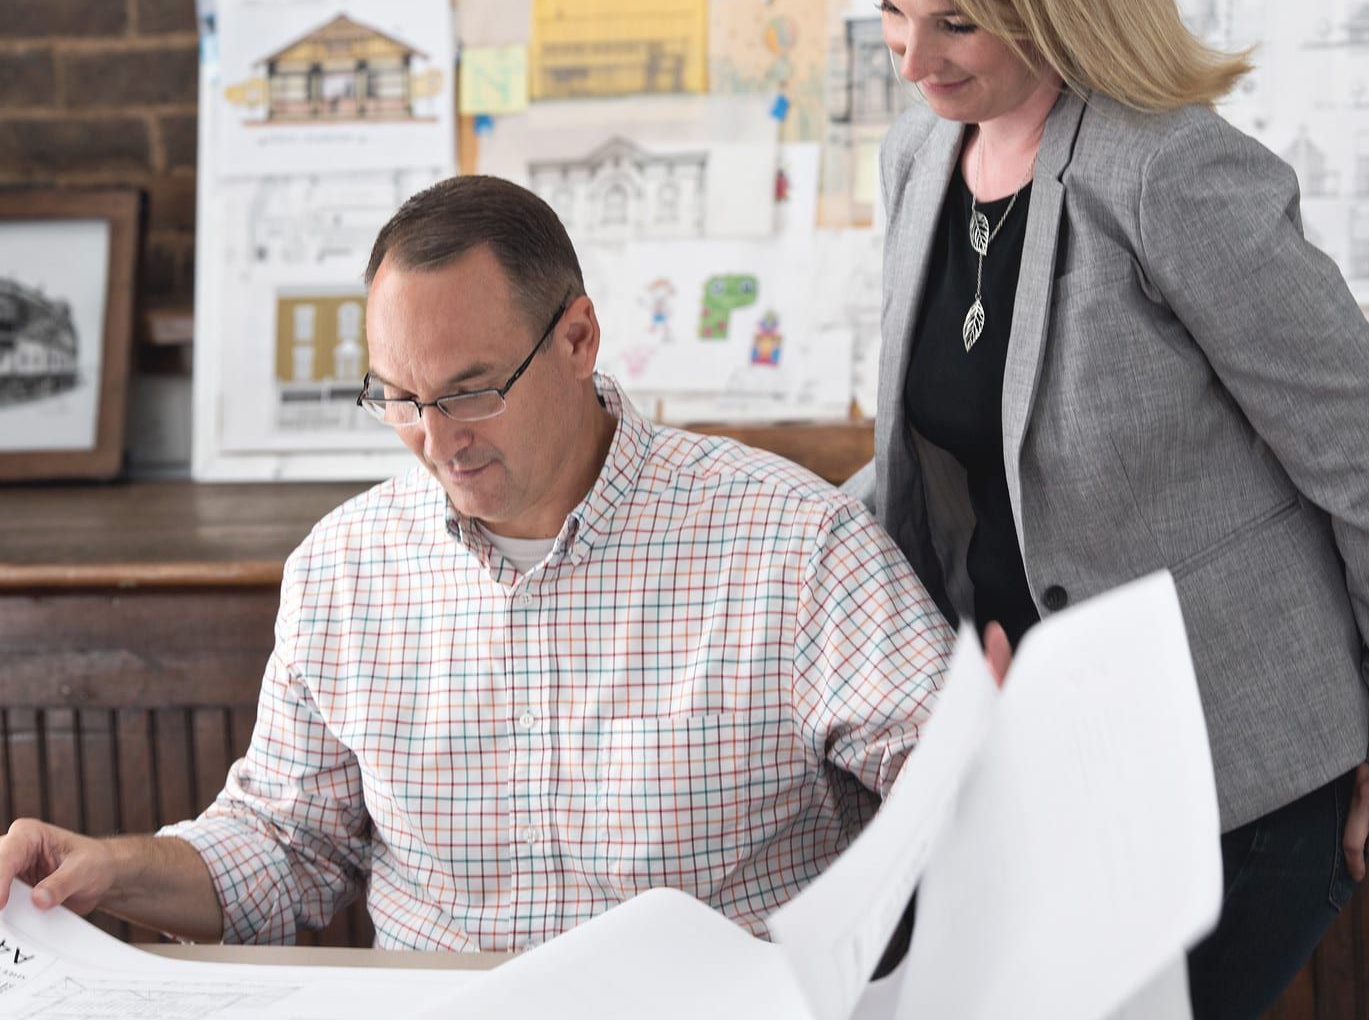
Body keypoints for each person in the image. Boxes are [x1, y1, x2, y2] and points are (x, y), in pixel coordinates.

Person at [845, 0, 1369, 1015]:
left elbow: (1366, 451)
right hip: (1030, 747)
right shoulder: (917, 156)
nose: (913, 61)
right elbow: (935, 467)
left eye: (956, 21)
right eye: (889, 10)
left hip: (1234, 763)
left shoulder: (1171, 170)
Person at [0, 176, 953, 952]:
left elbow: (963, 790)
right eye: (401, 398)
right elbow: (287, 846)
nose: (435, 440)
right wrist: (114, 870)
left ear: (577, 339)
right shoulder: (344, 570)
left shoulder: (791, 542)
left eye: (472, 391)